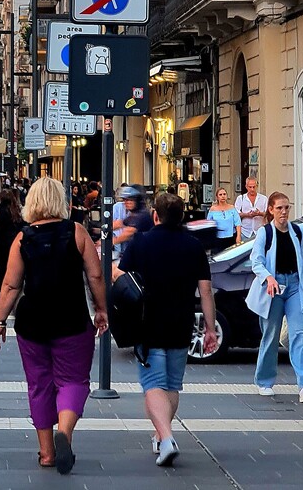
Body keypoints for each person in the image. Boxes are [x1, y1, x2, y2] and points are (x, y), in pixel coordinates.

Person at [0, 177, 108, 475]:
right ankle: (65, 434)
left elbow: (10, 284)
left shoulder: (23, 238)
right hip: (71, 319)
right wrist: (101, 309)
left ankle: (47, 453)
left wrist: (0, 320)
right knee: (73, 380)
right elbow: (95, 276)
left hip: (32, 322)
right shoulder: (77, 232)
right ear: (60, 200)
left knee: (39, 385)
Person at [117, 192, 217, 468]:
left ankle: (167, 438)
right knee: (172, 385)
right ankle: (160, 435)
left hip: (148, 321)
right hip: (181, 321)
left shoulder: (142, 242)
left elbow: (122, 274)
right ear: (182, 216)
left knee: (152, 384)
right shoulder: (194, 246)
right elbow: (206, 291)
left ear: (155, 216)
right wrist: (210, 329)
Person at [246, 191, 303, 403]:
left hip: (296, 285)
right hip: (274, 287)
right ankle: (265, 381)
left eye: (287, 207)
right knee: (271, 334)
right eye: (279, 208)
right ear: (271, 210)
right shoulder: (265, 233)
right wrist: (268, 278)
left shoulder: (298, 232)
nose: (284, 212)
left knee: (299, 333)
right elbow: (256, 261)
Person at [0, 188, 23, 289]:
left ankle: (3, 289)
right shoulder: (17, 212)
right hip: (15, 243)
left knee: (2, 270)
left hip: (1, 244)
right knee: (16, 269)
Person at [113, 185, 153, 250]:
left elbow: (128, 234)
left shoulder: (141, 215)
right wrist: (100, 229)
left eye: (130, 200)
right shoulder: (133, 215)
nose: (126, 202)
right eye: (125, 200)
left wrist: (108, 241)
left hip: (143, 255)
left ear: (138, 200)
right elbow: (119, 223)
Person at [207, 187, 242, 253]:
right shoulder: (213, 209)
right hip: (218, 239)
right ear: (217, 197)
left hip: (231, 237)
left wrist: (238, 236)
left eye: (224, 194)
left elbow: (238, 223)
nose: (223, 196)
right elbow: (209, 224)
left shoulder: (232, 208)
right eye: (220, 195)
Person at [235, 177, 268, 241]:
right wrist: (246, 214)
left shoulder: (264, 199)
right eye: (250, 187)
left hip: (259, 232)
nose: (252, 189)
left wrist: (260, 213)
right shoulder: (240, 198)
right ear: (246, 186)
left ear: (257, 186)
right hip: (245, 232)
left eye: (254, 187)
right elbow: (236, 214)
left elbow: (268, 214)